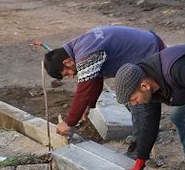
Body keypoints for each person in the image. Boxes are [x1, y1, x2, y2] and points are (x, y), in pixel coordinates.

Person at [43, 25, 165, 158]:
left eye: (67, 73)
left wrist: (69, 123)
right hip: (146, 48)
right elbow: (96, 78)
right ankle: (145, 137)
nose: (72, 76)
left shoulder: (85, 54)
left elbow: (83, 91)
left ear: (67, 62)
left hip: (151, 53)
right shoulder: (80, 46)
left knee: (140, 104)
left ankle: (138, 152)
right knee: (129, 100)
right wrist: (89, 104)